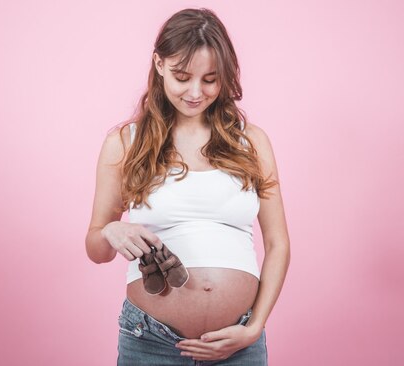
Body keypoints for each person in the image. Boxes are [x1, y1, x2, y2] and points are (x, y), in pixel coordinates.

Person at [86, 7, 290, 365]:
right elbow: (97, 247)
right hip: (150, 341)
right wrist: (111, 232)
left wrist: (254, 327)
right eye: (182, 76)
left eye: (210, 79)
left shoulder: (252, 142)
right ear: (159, 64)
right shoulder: (125, 142)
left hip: (238, 343)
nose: (195, 92)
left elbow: (278, 244)